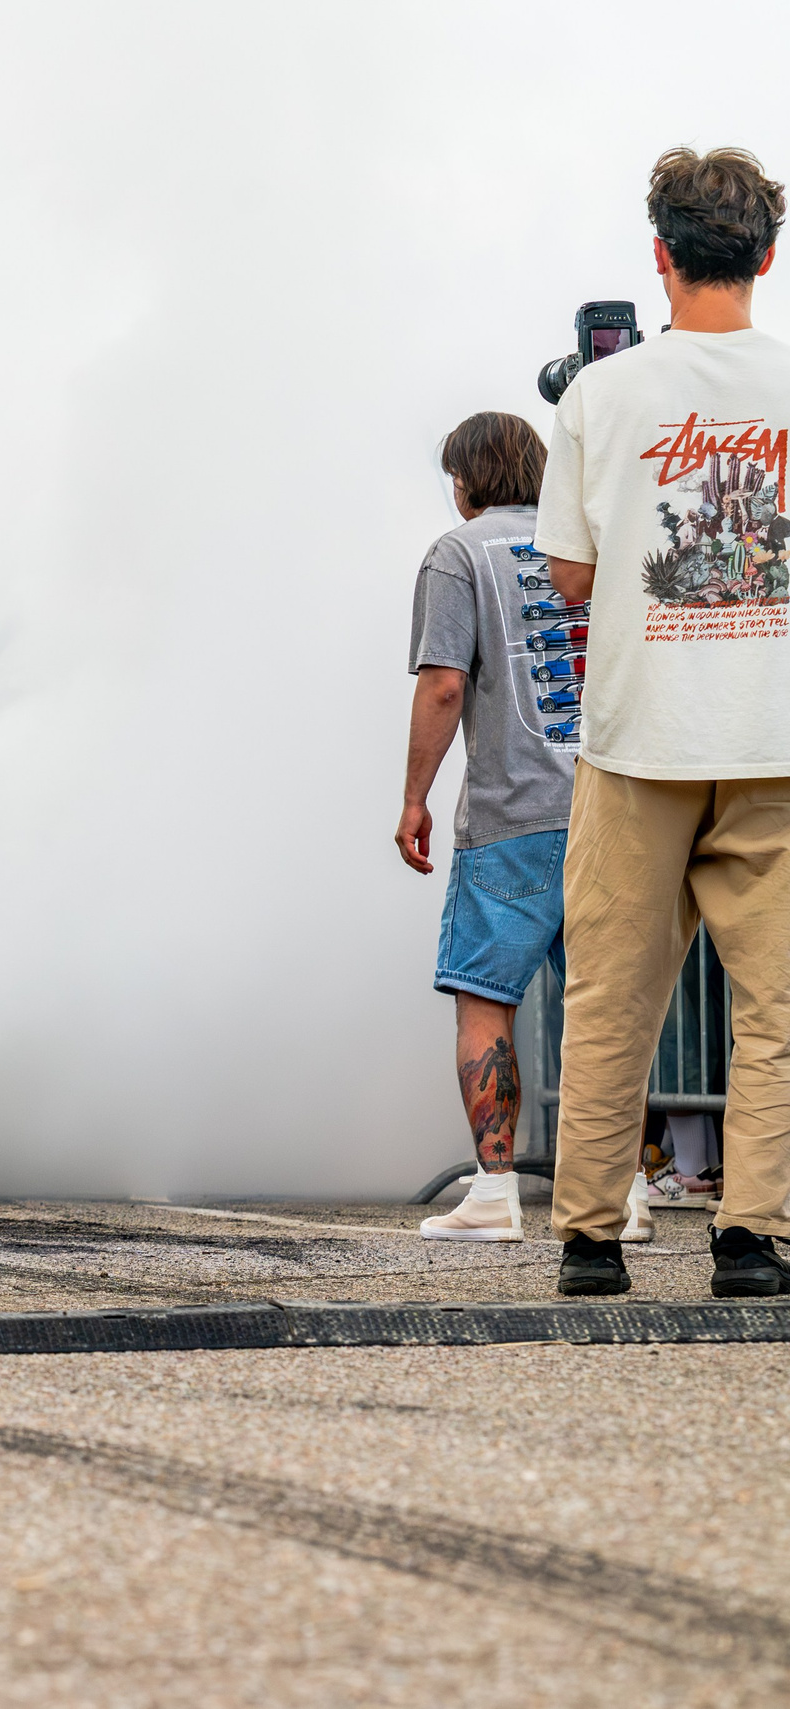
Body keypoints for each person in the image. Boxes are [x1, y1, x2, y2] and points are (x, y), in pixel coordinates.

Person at [539, 146, 790, 1299]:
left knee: (610, 994)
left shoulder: (601, 392)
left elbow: (573, 579)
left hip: (639, 737)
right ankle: (749, 1235)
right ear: (768, 255)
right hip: (773, 738)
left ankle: (590, 1238)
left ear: (661, 256)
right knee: (776, 1007)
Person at [396, 414, 644, 1243]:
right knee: (606, 1006)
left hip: (510, 818)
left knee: (485, 1000)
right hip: (611, 809)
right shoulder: (592, 547)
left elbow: (441, 687)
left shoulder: (458, 553)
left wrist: (414, 798)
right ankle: (626, 1196)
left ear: (467, 479)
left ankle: (496, 1194)